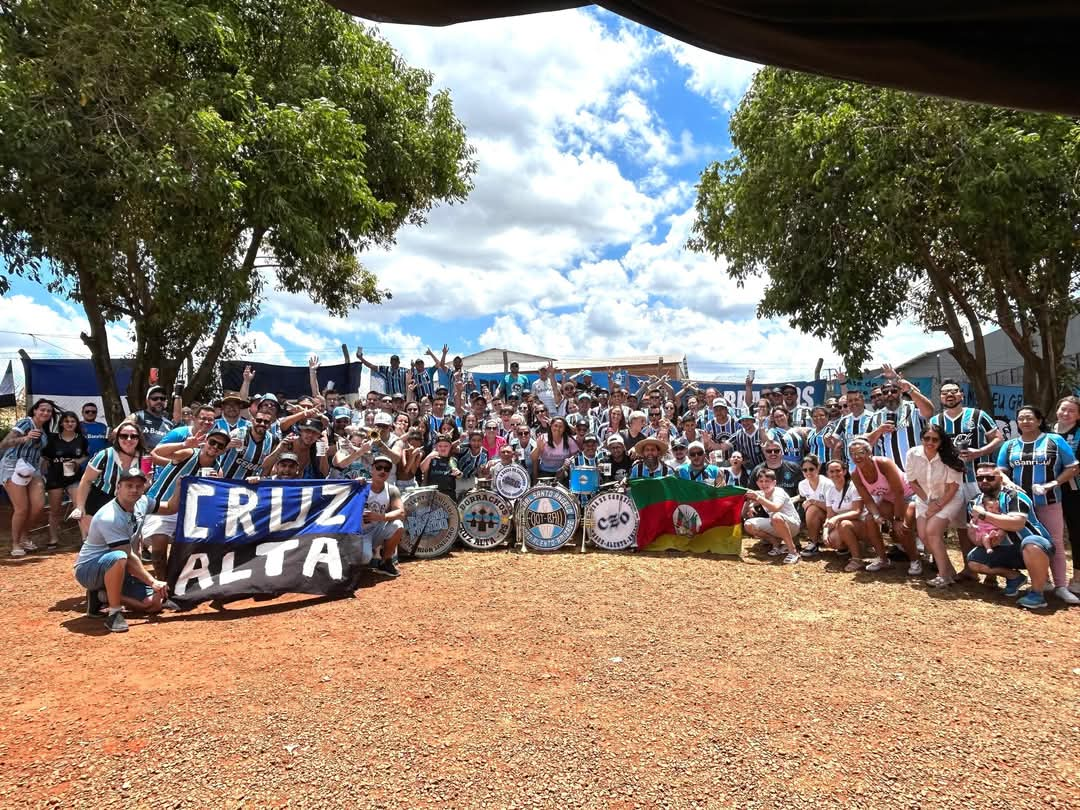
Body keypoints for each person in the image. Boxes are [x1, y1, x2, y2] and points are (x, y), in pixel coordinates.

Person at [996, 404, 1080, 605]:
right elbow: (1000, 470)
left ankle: (1060, 586)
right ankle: (1043, 582)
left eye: (1030, 418)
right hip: (1021, 506)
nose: (1025, 422)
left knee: (1056, 543)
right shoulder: (1010, 445)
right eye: (1022, 418)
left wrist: (1053, 483)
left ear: (1040, 420)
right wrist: (1010, 485)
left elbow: (1073, 467)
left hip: (1050, 501)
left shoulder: (1055, 441)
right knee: (1029, 542)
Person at [74, 467, 175, 632]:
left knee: (154, 604)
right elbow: (127, 556)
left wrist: (180, 484)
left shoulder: (143, 502)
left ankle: (101, 596)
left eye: (138, 486)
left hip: (121, 569)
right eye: (129, 485)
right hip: (89, 571)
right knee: (119, 556)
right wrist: (152, 581)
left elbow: (171, 508)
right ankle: (114, 613)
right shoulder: (109, 517)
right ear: (118, 488)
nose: (134, 490)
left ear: (144, 488)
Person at [928, 379, 1003, 567]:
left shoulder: (978, 415)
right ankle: (969, 567)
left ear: (961, 394)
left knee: (987, 523)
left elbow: (997, 438)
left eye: (953, 391)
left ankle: (992, 569)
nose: (949, 395)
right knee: (962, 526)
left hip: (978, 480)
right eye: (945, 392)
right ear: (941, 397)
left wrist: (979, 452)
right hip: (952, 481)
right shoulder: (936, 421)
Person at [966, 462, 1057, 610]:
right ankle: (1014, 577)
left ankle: (1037, 594)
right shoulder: (974, 502)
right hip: (1004, 550)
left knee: (1031, 544)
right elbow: (974, 533)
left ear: (1001, 479)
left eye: (989, 478)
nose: (984, 481)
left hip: (1035, 547)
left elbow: (1017, 524)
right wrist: (983, 540)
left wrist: (984, 515)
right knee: (973, 561)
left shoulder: (1014, 496)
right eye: (980, 478)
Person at [145, 425, 231, 578]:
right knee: (159, 546)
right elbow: (155, 453)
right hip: (162, 504)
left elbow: (215, 498)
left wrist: (215, 484)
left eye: (220, 445)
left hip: (187, 513)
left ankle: (175, 584)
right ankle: (162, 584)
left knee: (194, 550)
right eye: (212, 442)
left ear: (223, 450)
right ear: (205, 441)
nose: (215, 447)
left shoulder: (218, 471)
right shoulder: (188, 453)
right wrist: (184, 444)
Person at [905, 424, 966, 583]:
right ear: (921, 438)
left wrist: (937, 505)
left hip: (949, 498)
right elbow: (912, 482)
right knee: (924, 536)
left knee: (932, 531)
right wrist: (927, 501)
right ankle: (949, 571)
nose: (930, 442)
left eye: (935, 439)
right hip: (925, 498)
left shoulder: (950, 458)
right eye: (927, 438)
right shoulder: (913, 454)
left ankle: (943, 576)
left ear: (941, 441)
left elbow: (953, 488)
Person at [848, 437, 912, 572]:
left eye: (860, 452)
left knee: (900, 527)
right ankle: (883, 559)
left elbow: (899, 492)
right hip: (889, 499)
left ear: (869, 453)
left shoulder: (883, 463)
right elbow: (868, 500)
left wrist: (898, 518)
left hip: (909, 496)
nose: (857, 457)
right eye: (853, 454)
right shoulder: (855, 474)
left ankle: (915, 560)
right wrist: (877, 515)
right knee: (870, 519)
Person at [70, 424, 146, 538]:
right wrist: (80, 507)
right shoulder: (105, 455)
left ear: (139, 438)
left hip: (130, 502)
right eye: (124, 436)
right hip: (100, 499)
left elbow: (147, 483)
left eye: (133, 436)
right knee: (97, 540)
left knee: (128, 541)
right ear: (117, 438)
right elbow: (86, 480)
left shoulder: (145, 457)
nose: (128, 439)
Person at [0, 398, 54, 557]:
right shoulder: (25, 423)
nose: (45, 412)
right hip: (12, 465)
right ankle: (16, 543)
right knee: (21, 508)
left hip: (32, 468)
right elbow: (4, 443)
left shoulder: (44, 430)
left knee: (38, 505)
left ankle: (24, 536)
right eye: (42, 409)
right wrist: (25, 438)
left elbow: (39, 452)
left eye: (49, 411)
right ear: (35, 410)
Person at [866, 376, 935, 472]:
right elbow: (866, 442)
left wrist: (910, 390)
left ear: (901, 392)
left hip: (919, 470)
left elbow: (929, 412)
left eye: (894, 391)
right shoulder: (876, 417)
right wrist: (879, 430)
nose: (889, 394)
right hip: (893, 474)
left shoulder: (913, 407)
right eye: (885, 392)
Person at [43, 411, 89, 550]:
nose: (69, 424)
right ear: (61, 423)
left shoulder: (81, 439)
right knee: (55, 509)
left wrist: (77, 461)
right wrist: (43, 473)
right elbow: (45, 458)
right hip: (55, 476)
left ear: (76, 424)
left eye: (72, 421)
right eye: (67, 421)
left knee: (79, 506)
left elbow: (85, 455)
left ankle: (85, 539)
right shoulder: (53, 439)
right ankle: (53, 539)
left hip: (74, 476)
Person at [742, 468, 801, 564]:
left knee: (776, 516)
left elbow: (775, 508)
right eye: (761, 481)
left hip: (793, 525)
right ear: (757, 483)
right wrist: (750, 504)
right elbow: (743, 513)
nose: (764, 484)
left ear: (774, 483)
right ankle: (776, 544)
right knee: (748, 524)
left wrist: (757, 498)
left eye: (767, 481)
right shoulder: (761, 493)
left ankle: (793, 551)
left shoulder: (778, 492)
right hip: (776, 524)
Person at [1052, 395, 1080, 595]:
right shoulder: (1046, 432)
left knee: (1076, 533)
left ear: (1078, 415)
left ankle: (1077, 578)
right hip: (1047, 490)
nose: (1066, 413)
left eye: (1071, 410)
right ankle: (1046, 577)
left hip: (1074, 490)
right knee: (1048, 533)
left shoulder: (1079, 434)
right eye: (1063, 409)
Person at [821, 460, 870, 572]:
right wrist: (825, 533)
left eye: (838, 471)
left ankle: (857, 559)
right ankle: (854, 547)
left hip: (863, 524)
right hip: (844, 525)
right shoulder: (830, 491)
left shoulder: (853, 487)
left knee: (844, 525)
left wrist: (837, 518)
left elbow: (857, 512)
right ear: (827, 474)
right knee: (833, 540)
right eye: (831, 471)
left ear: (844, 471)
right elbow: (829, 515)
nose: (835, 474)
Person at [361, 454, 405, 577]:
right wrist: (353, 484)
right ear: (372, 469)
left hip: (376, 530)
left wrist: (380, 517)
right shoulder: (361, 486)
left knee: (398, 525)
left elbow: (401, 512)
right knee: (365, 558)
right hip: (358, 533)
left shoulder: (392, 490)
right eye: (379, 467)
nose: (382, 471)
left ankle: (385, 561)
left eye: (386, 469)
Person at [797, 455, 832, 557]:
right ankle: (814, 543)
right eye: (805, 470)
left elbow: (833, 508)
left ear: (818, 468)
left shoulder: (827, 484)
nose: (808, 472)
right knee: (812, 510)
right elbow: (803, 501)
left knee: (812, 509)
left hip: (832, 515)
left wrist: (813, 502)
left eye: (811, 469)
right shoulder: (802, 485)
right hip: (817, 516)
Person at [533, 416, 576, 480]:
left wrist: (569, 461)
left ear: (564, 429)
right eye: (555, 426)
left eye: (561, 427)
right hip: (545, 473)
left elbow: (576, 455)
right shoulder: (542, 438)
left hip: (563, 472)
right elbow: (533, 458)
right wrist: (538, 448)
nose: (558, 428)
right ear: (551, 426)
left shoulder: (569, 440)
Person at [421, 433, 461, 499]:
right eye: (440, 446)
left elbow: (459, 475)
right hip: (433, 494)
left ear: (450, 446)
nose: (443, 448)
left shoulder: (452, 460)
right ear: (436, 447)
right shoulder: (432, 458)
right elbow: (422, 468)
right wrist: (429, 457)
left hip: (448, 495)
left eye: (446, 446)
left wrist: (458, 473)